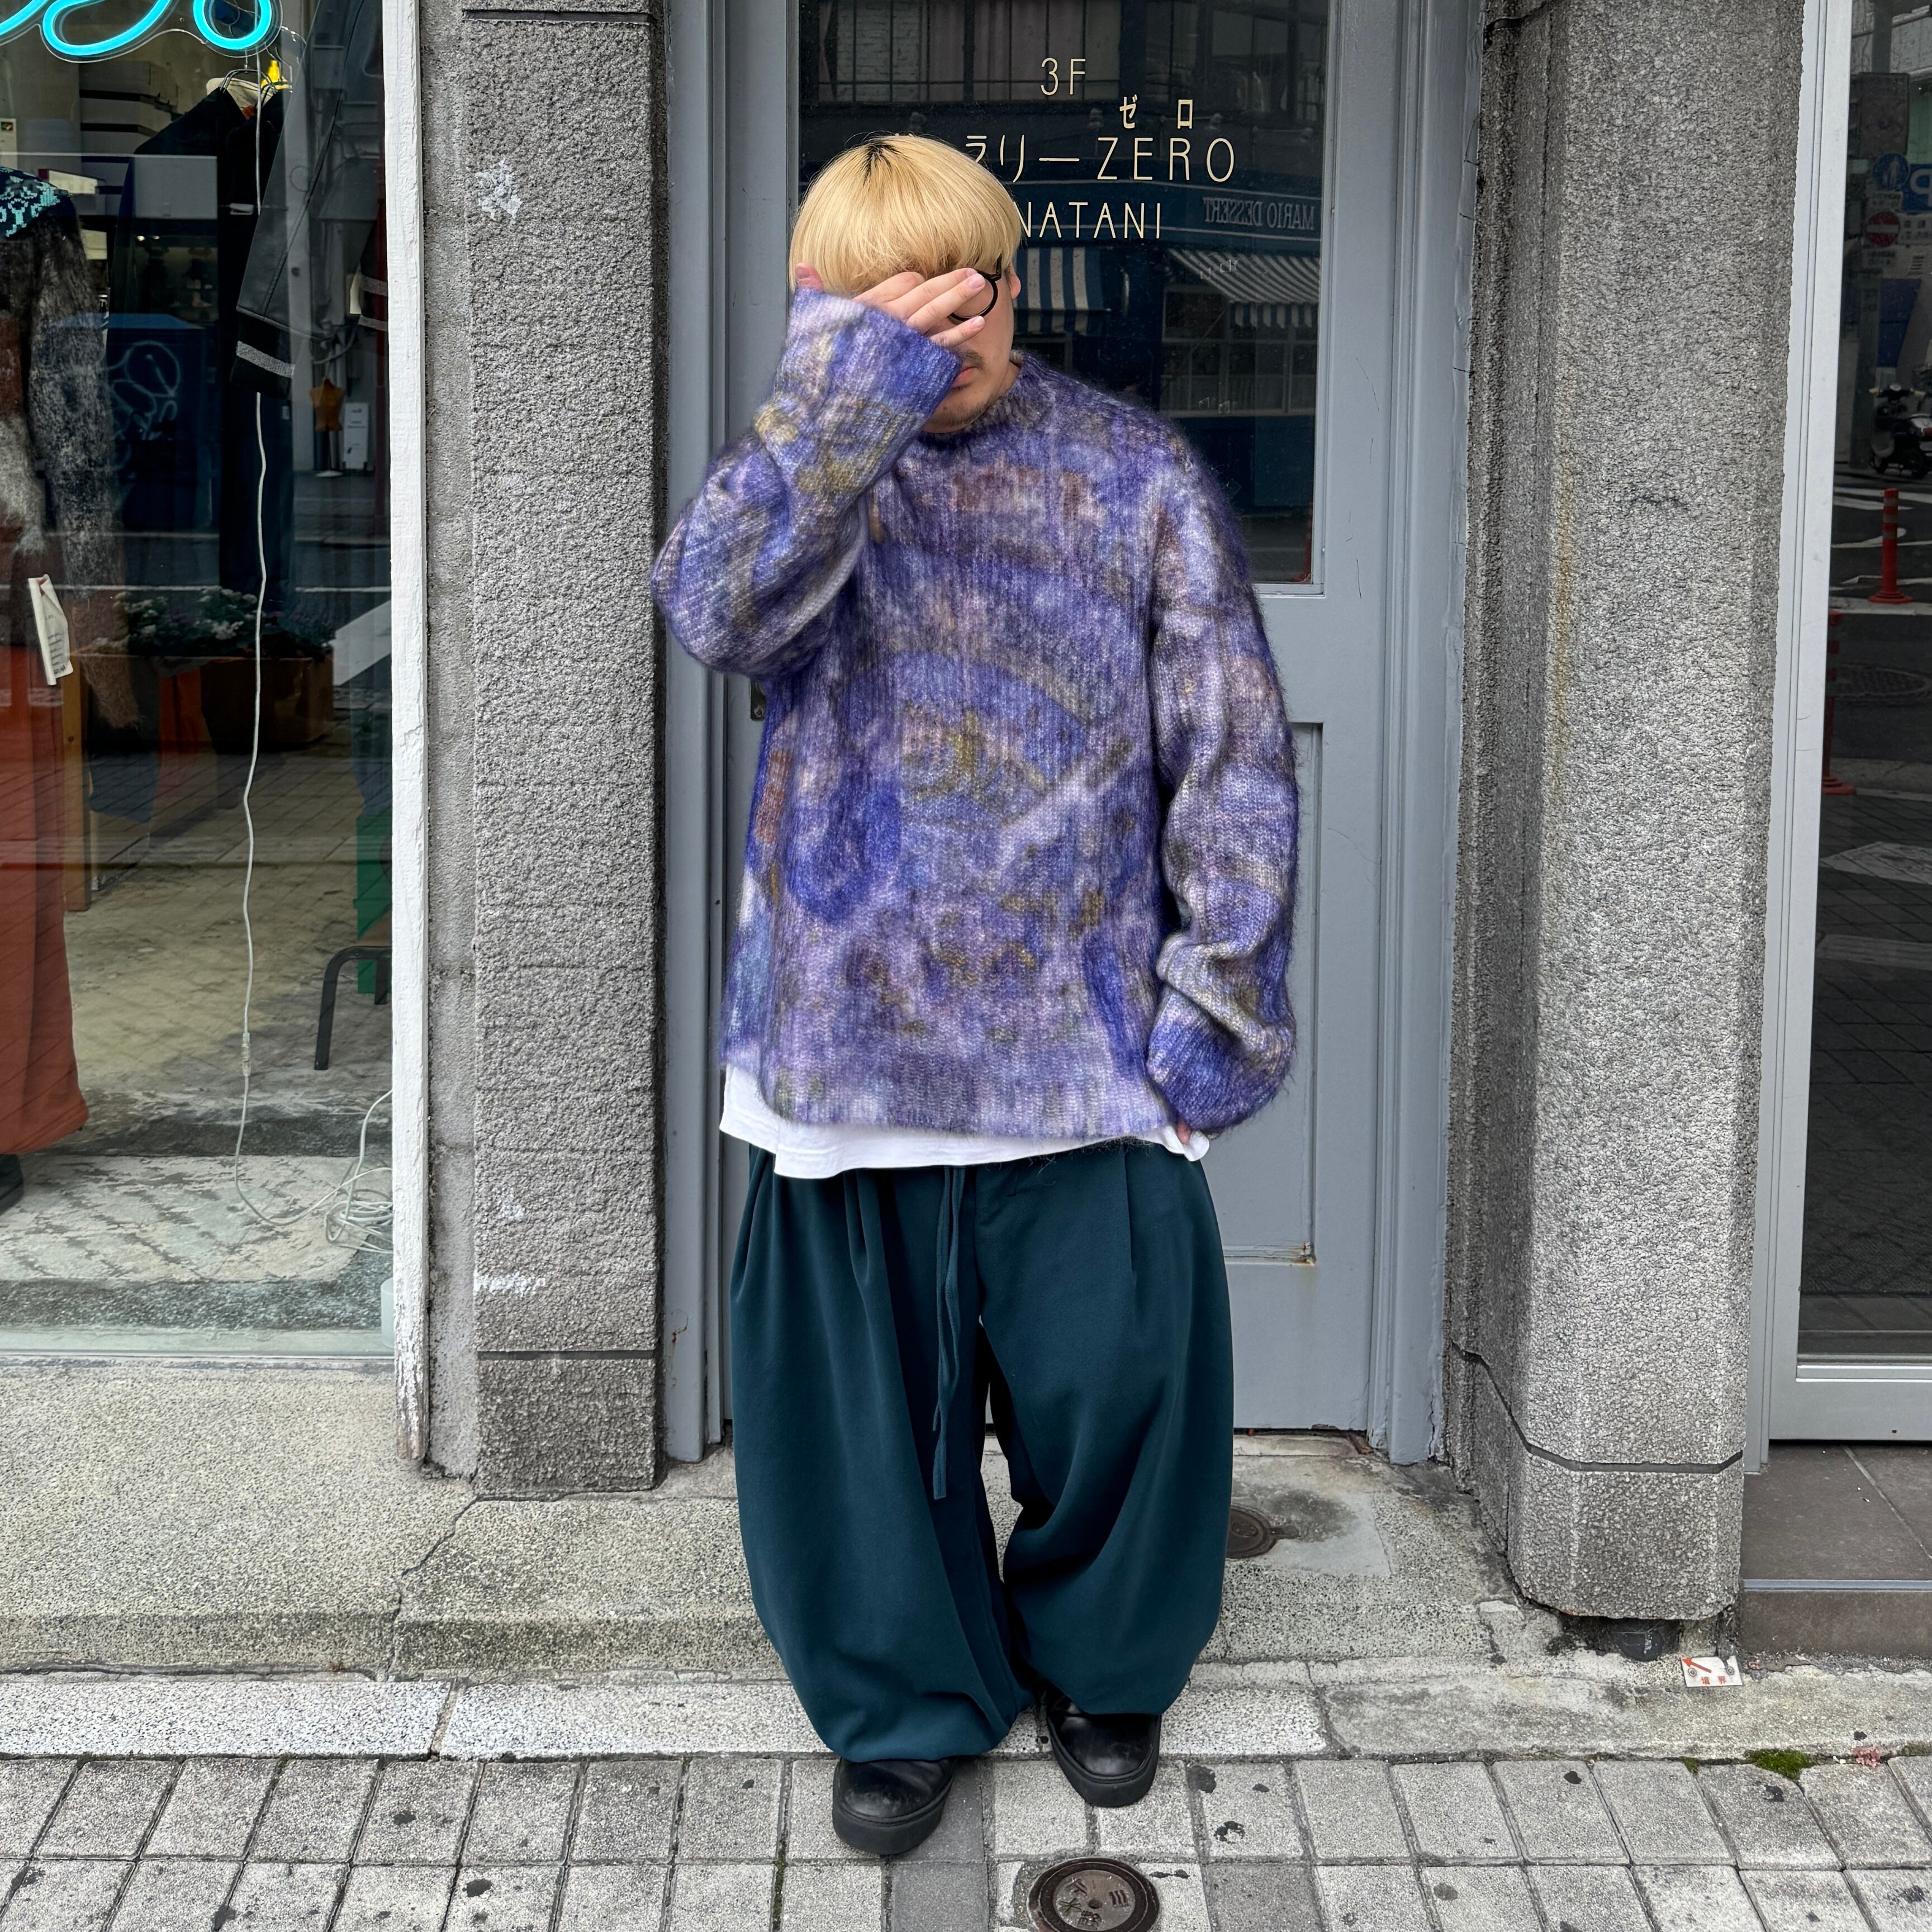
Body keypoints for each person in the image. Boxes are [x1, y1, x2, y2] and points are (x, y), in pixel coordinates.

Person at [651, 133, 1299, 1856]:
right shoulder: (801, 482)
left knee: (1120, 1392)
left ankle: (1105, 1663)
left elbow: (1228, 757)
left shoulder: (1129, 476)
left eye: (979, 284)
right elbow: (714, 614)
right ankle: (901, 1695)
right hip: (843, 1049)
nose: (958, 325)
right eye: (904, 301)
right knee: (859, 1433)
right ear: (828, 315)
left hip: (1081, 1048)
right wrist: (841, 414)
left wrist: (1213, 1011)